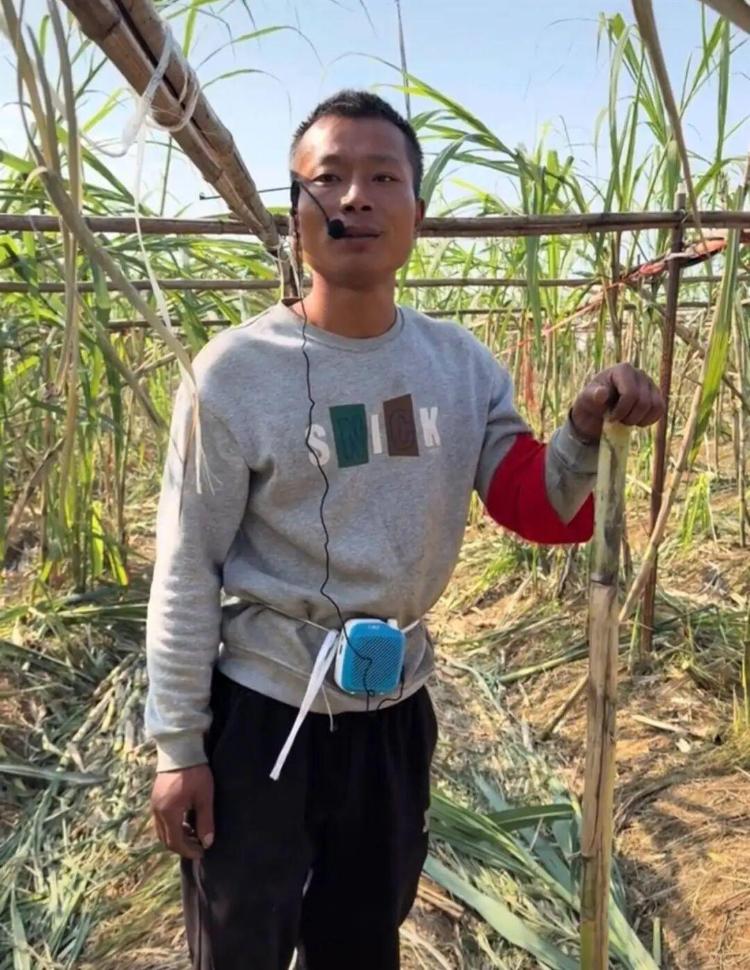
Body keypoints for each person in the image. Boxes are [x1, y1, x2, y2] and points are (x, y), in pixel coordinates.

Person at [145, 90, 663, 970]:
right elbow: (187, 566)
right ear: (296, 213)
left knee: (362, 938)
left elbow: (533, 502)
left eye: (383, 178)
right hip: (265, 713)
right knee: (241, 943)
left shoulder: (457, 367)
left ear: (417, 214)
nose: (356, 197)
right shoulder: (233, 374)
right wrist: (177, 748)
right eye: (330, 178)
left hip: (391, 713)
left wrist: (582, 429)